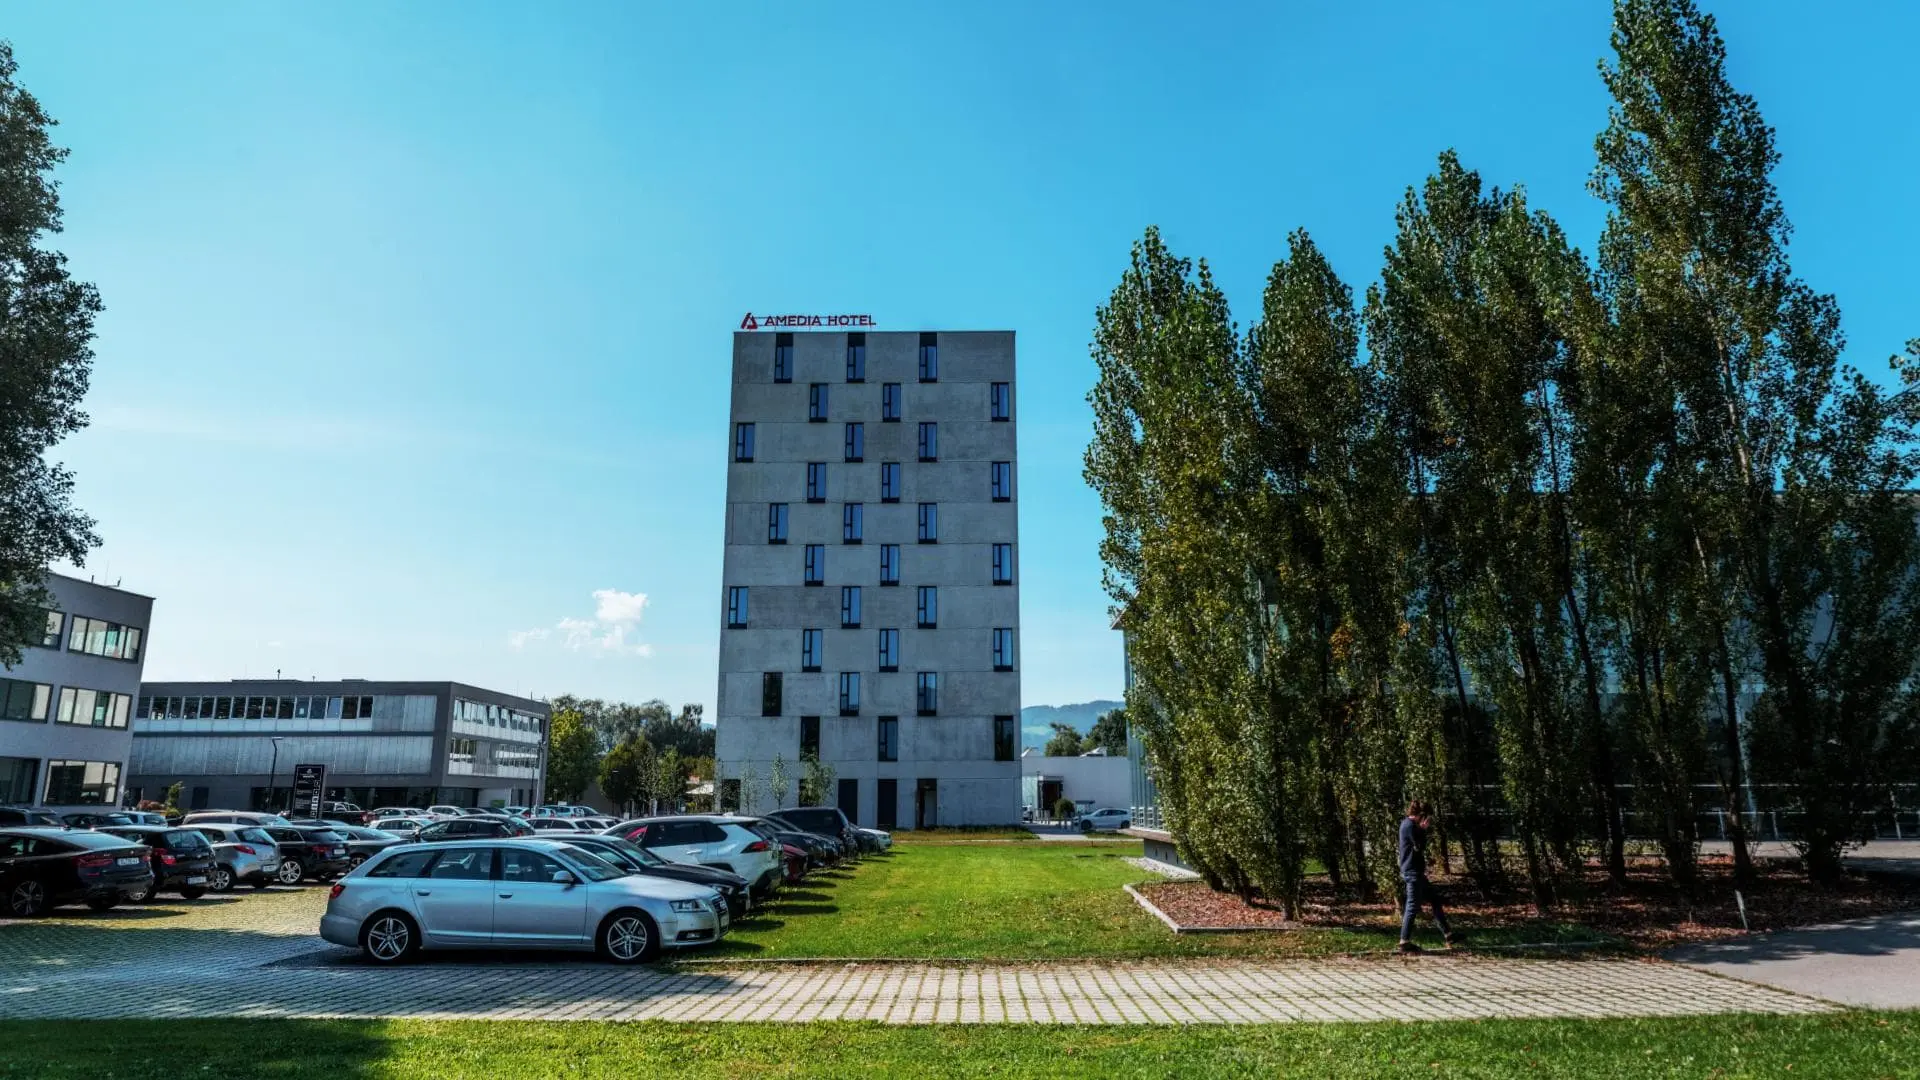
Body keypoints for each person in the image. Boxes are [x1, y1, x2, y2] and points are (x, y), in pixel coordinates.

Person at [1397, 799, 1455, 954]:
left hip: (1417, 873)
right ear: (1422, 816)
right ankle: (1404, 941)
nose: (1429, 821)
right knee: (1412, 907)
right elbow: (1419, 847)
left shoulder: (1408, 825)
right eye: (1428, 818)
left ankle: (1448, 934)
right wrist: (1423, 830)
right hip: (1412, 872)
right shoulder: (1410, 827)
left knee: (1435, 900)